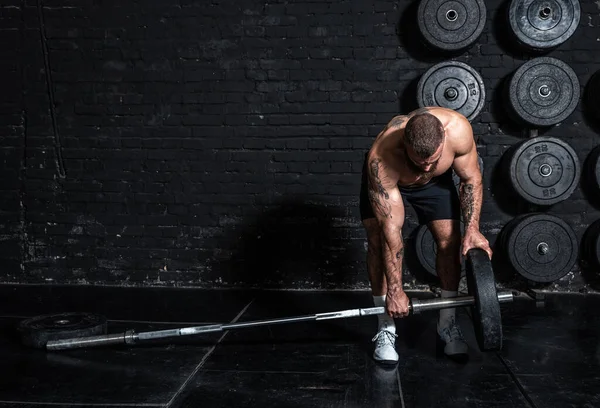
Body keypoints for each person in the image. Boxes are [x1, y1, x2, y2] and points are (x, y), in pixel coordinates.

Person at [359, 106, 492, 365]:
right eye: (420, 162)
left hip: (435, 184)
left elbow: (471, 179)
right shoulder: (382, 158)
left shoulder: (458, 130)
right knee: (377, 240)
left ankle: (447, 323)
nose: (427, 166)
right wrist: (396, 291)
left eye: (433, 159)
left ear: (443, 138)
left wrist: (473, 229)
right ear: (405, 145)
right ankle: (385, 327)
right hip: (390, 182)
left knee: (450, 239)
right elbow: (392, 233)